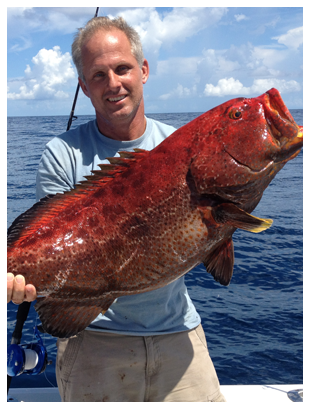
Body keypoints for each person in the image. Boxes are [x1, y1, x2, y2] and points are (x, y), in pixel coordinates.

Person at [7, 16, 226, 402]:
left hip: (179, 336)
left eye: (122, 68)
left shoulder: (177, 146)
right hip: (93, 343)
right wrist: (19, 280)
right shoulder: (63, 154)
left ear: (143, 71)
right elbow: (51, 242)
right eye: (98, 74)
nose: (113, 83)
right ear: (84, 87)